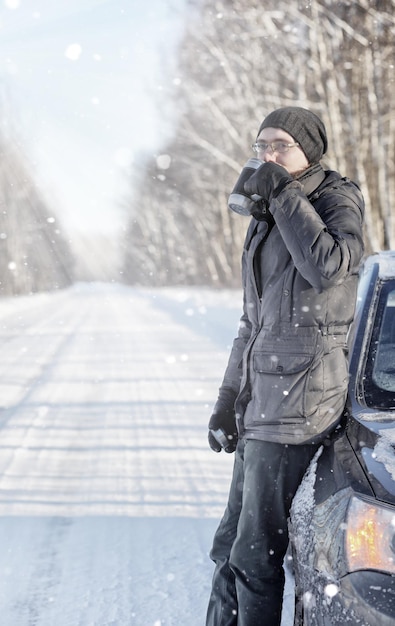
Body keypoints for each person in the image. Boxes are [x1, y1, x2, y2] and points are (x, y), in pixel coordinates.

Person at [206, 106, 365, 626]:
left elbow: (328, 267)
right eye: (261, 147)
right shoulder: (269, 214)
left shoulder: (335, 198)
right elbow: (253, 324)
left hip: (300, 403)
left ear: (309, 151)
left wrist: (283, 193)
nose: (268, 156)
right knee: (229, 550)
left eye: (280, 146)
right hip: (261, 403)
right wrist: (228, 401)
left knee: (255, 556)